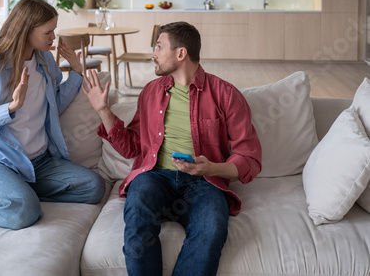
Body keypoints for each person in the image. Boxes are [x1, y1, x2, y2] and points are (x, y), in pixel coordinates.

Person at [82, 21, 262, 275]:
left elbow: (250, 158)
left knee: (211, 228)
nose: (152, 54)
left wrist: (210, 167)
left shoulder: (226, 95)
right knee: (137, 214)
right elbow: (132, 146)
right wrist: (103, 110)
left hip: (205, 182)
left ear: (181, 53)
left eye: (158, 47)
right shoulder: (151, 92)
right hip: (155, 176)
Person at [0, 0, 105, 230]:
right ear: (26, 30)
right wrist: (10, 108)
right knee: (24, 213)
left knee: (94, 186)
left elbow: (55, 104)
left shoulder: (44, 59)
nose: (54, 38)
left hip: (39, 162)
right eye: (48, 32)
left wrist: (77, 72)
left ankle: (20, 190)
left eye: (54, 31)